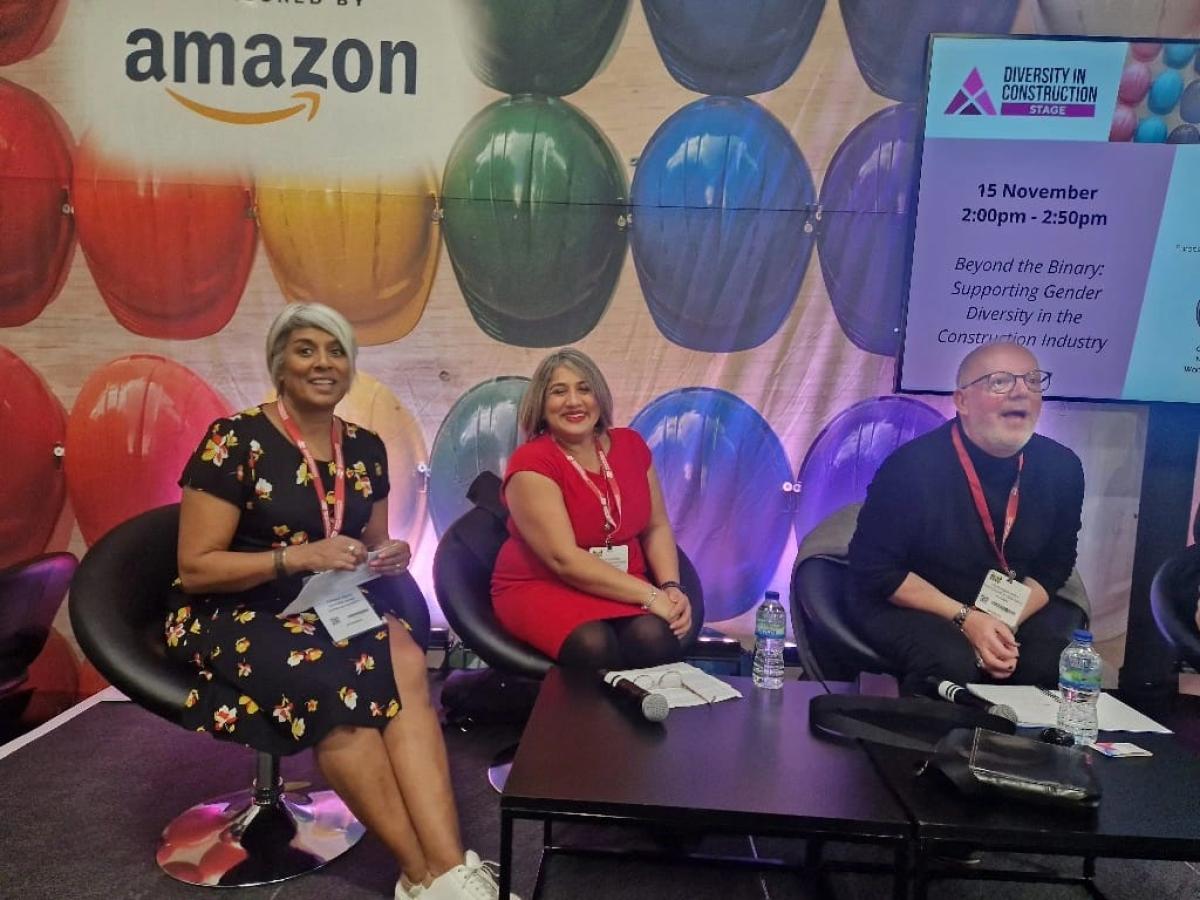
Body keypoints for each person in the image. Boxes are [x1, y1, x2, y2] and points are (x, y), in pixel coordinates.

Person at [164, 303, 517, 900]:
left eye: (336, 352)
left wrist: (390, 553)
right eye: (306, 349)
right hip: (241, 612)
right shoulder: (236, 440)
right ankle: (419, 875)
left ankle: (452, 867)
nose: (323, 363)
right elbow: (196, 569)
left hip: (329, 603)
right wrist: (295, 558)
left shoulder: (366, 448)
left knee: (405, 660)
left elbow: (371, 539)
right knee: (341, 687)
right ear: (279, 363)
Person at [849, 341, 1087, 693]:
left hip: (1006, 604)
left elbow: (1055, 565)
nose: (1021, 392)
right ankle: (930, 747)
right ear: (961, 401)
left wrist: (1004, 622)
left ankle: (1022, 748)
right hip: (913, 601)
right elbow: (876, 570)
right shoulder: (912, 467)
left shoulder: (1062, 467)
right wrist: (967, 619)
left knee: (1048, 661)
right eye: (1000, 382)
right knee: (950, 661)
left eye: (1033, 381)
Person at [491, 348, 693, 669]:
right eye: (559, 391)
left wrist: (670, 587)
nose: (574, 401)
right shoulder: (531, 462)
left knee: (655, 638)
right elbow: (564, 560)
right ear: (542, 406)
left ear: (599, 397)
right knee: (593, 644)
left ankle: (636, 720)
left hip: (623, 583)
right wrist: (651, 597)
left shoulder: (632, 446)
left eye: (584, 389)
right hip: (543, 585)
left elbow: (656, 526)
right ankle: (571, 721)